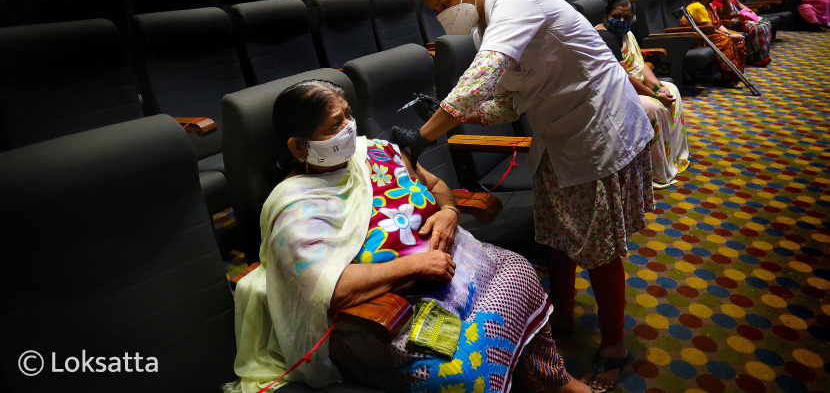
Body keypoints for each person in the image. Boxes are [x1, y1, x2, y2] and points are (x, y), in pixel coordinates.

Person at [392, 0, 654, 392]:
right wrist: (455, 114)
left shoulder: (519, 0)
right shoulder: (481, 27)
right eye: (433, 9)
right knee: (555, 231)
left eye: (444, 3)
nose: (441, 17)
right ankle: (564, 315)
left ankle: (614, 344)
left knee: (598, 247)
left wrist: (427, 133)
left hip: (597, 129)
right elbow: (508, 103)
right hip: (557, 136)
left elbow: (485, 73)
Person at [228, 80, 591, 393]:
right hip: (385, 314)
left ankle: (550, 379)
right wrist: (414, 266)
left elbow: (434, 184)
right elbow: (329, 290)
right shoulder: (297, 206)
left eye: (349, 116)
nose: (350, 129)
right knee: (463, 371)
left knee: (520, 270)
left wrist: (448, 212)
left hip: (452, 267)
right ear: (298, 147)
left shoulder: (375, 151)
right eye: (335, 125)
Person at [596, 0, 690, 188]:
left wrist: (657, 87)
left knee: (671, 90)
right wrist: (655, 96)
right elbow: (623, 77)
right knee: (655, 107)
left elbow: (639, 67)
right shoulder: (603, 37)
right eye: (616, 16)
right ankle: (655, 170)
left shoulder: (627, 35)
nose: (622, 21)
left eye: (627, 17)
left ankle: (673, 156)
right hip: (615, 91)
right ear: (606, 17)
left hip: (634, 84)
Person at [681, 0, 748, 87]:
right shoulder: (698, 7)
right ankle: (727, 78)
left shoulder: (708, 6)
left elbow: (719, 23)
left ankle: (735, 74)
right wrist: (729, 36)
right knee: (726, 40)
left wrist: (730, 33)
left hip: (707, 35)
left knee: (738, 38)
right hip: (696, 39)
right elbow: (709, 29)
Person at [710, 0, 773, 66]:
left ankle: (763, 55)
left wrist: (750, 11)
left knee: (765, 23)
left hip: (741, 16)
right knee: (756, 27)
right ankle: (753, 58)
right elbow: (727, 12)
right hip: (730, 20)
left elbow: (738, 4)